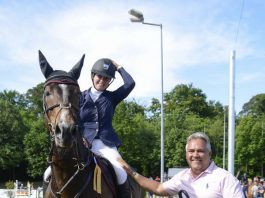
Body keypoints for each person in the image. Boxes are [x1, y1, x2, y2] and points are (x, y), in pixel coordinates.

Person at [118, 132, 244, 197]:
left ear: (209, 154)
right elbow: (158, 188)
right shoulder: (182, 177)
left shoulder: (225, 178)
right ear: (186, 154)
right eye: (191, 151)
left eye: (200, 151)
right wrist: (132, 172)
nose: (195, 155)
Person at [80, 58, 135, 198]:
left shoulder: (112, 97)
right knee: (49, 172)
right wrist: (80, 137)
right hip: (81, 144)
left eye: (107, 78)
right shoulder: (80, 97)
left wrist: (118, 67)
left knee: (122, 172)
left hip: (105, 145)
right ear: (93, 76)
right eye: (100, 76)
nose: (102, 81)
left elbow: (130, 83)